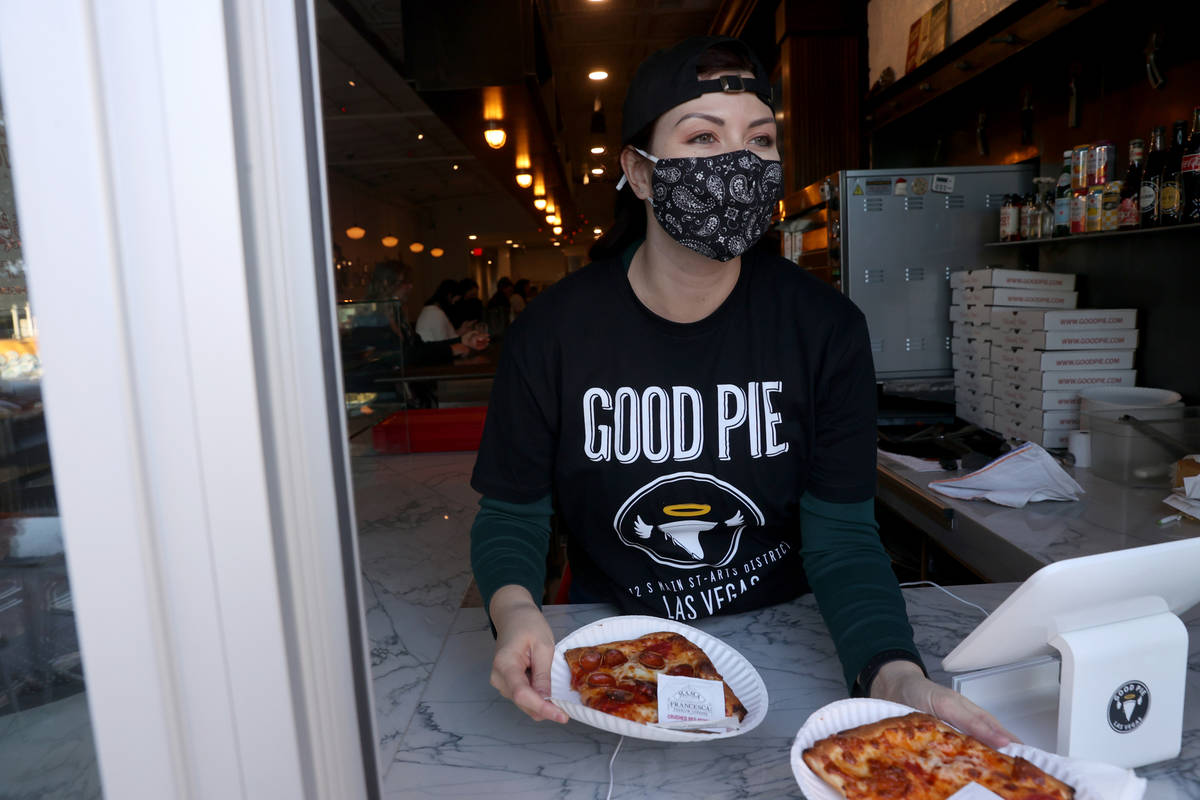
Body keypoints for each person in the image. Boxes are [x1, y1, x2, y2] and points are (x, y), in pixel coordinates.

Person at [467, 36, 1016, 747]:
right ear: (638, 171)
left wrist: (893, 674)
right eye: (702, 136)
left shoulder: (825, 330)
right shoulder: (554, 333)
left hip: (783, 643)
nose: (738, 162)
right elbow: (512, 516)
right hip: (615, 650)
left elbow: (843, 538)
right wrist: (514, 612)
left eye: (759, 140)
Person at [416, 278, 463, 342]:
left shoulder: (431, 310)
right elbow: (443, 343)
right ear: (449, 296)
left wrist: (461, 331)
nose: (453, 304)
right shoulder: (435, 313)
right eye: (454, 301)